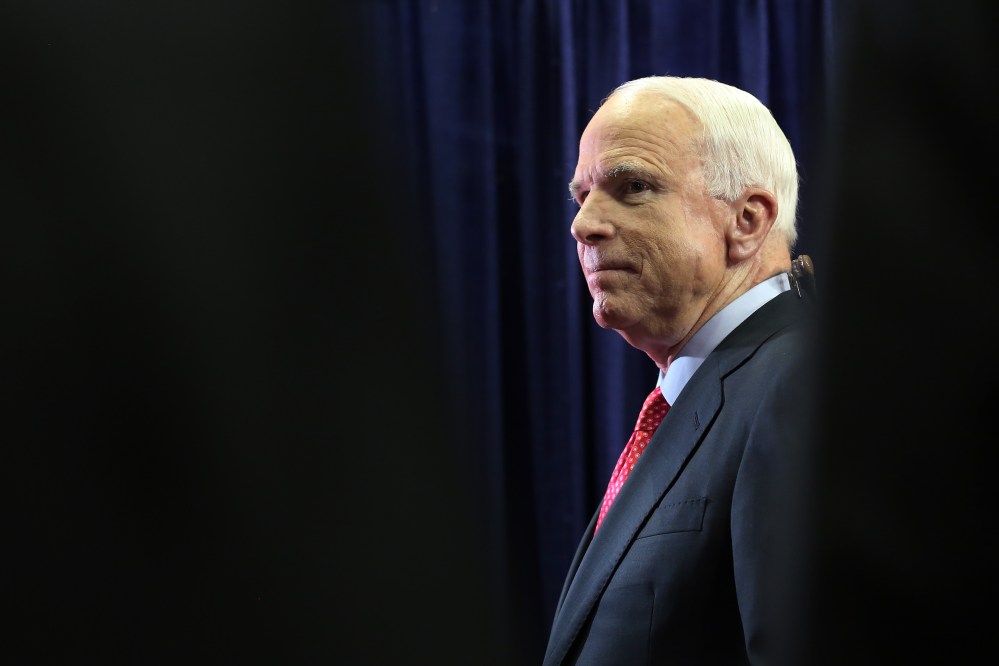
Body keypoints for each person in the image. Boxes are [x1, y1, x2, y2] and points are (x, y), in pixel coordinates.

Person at [543, 75, 815, 665]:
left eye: (633, 187)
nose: (583, 224)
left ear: (747, 220)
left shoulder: (801, 386)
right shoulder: (701, 394)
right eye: (582, 195)